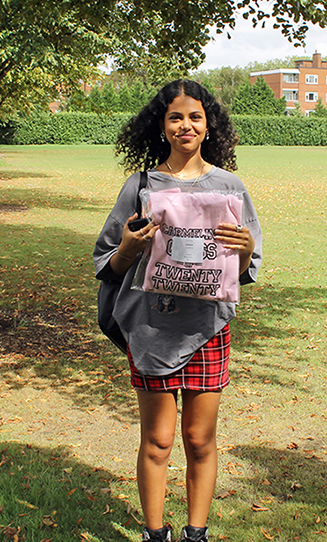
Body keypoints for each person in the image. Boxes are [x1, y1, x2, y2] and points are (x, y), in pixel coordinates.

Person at [93, 80, 262, 542]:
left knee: (199, 439)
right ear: (161, 126)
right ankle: (155, 534)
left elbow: (244, 271)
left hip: (206, 329)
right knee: (158, 441)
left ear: (209, 126)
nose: (185, 125)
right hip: (151, 329)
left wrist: (245, 249)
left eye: (195, 117)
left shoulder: (229, 187)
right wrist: (128, 246)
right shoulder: (140, 186)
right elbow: (106, 262)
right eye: (175, 117)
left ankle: (196, 533)